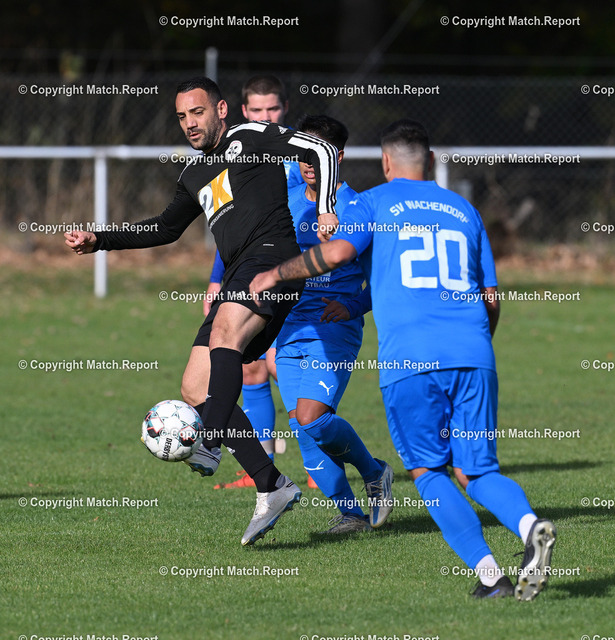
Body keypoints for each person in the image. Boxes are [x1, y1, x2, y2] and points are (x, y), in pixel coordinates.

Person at [249, 119, 556, 599]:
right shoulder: (465, 210)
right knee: (478, 472)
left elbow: (337, 253)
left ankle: (490, 576)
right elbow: (491, 298)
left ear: (386, 161)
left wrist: (275, 274)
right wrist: (478, 347)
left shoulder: (371, 203)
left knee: (429, 472)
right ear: (430, 160)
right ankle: (529, 526)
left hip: (411, 360)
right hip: (474, 355)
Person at [64, 75, 342, 546]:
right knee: (195, 387)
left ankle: (209, 441)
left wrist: (326, 207)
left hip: (272, 261)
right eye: (182, 117)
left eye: (197, 112)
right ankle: (271, 483)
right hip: (237, 275)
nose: (190, 123)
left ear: (221, 109)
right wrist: (100, 240)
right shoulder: (193, 175)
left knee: (224, 338)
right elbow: (165, 228)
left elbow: (322, 149)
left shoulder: (249, 137)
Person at [277, 114, 393, 533]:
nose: (309, 163)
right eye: (302, 154)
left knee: (312, 417)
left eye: (318, 155)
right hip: (288, 327)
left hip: (333, 328)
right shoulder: (285, 200)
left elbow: (383, 276)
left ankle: (375, 472)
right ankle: (351, 514)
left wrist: (353, 307)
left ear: (337, 158)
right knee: (301, 427)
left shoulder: (357, 208)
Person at [204, 75, 303, 485]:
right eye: (257, 110)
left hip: (295, 277)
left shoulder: (298, 159)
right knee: (251, 371)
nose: (265, 116)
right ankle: (259, 465)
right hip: (251, 274)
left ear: (285, 109)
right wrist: (216, 280)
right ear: (244, 112)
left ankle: (319, 464)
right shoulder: (239, 155)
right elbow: (234, 227)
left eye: (273, 109)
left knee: (286, 369)